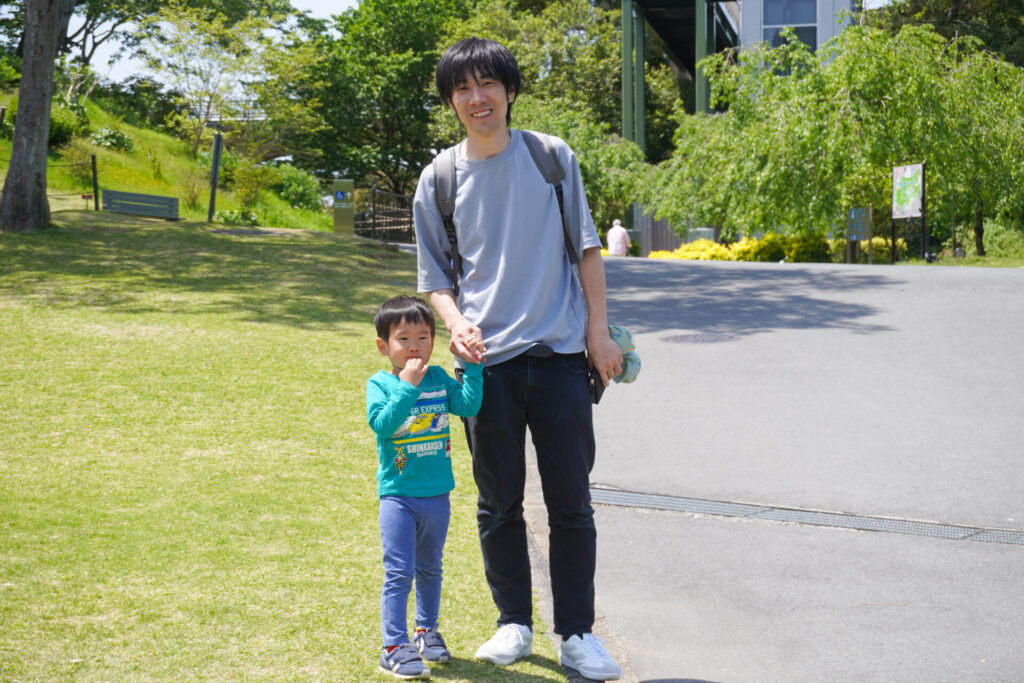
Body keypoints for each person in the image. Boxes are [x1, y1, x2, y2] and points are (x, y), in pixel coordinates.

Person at [413, 37, 624, 681]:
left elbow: (586, 249)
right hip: (486, 367)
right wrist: (456, 325)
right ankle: (513, 623)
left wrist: (599, 333)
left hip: (560, 356)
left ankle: (577, 634)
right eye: (462, 88)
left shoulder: (551, 157)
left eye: (487, 84)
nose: (476, 98)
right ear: (451, 101)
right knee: (498, 502)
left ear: (509, 90)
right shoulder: (440, 178)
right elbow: (435, 279)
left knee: (572, 504)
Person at [367, 295, 485, 680]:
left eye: (423, 337)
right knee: (399, 572)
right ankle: (393, 646)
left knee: (431, 568)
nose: (414, 346)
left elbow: (467, 406)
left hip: (437, 495)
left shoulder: (437, 378)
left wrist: (472, 365)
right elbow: (383, 425)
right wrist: (406, 387)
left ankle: (426, 631)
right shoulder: (380, 384)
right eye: (403, 339)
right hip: (398, 497)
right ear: (384, 346)